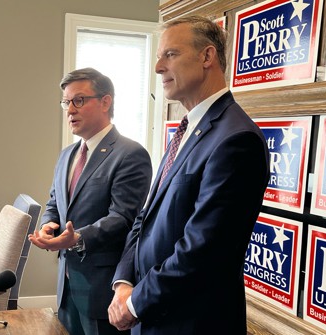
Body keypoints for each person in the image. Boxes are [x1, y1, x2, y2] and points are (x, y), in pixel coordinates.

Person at [107, 16, 270, 334]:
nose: (157, 67)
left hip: (192, 323)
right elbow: (146, 217)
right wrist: (125, 282)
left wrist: (135, 302)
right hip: (153, 314)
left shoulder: (236, 139)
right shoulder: (186, 129)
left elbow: (203, 250)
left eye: (170, 54)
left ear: (207, 57)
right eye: (158, 57)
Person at [29, 67, 152, 335]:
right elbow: (54, 202)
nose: (70, 110)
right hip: (67, 283)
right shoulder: (67, 155)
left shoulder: (130, 154)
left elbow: (123, 219)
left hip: (101, 288)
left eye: (79, 100)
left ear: (106, 101)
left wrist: (76, 238)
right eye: (66, 102)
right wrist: (49, 225)